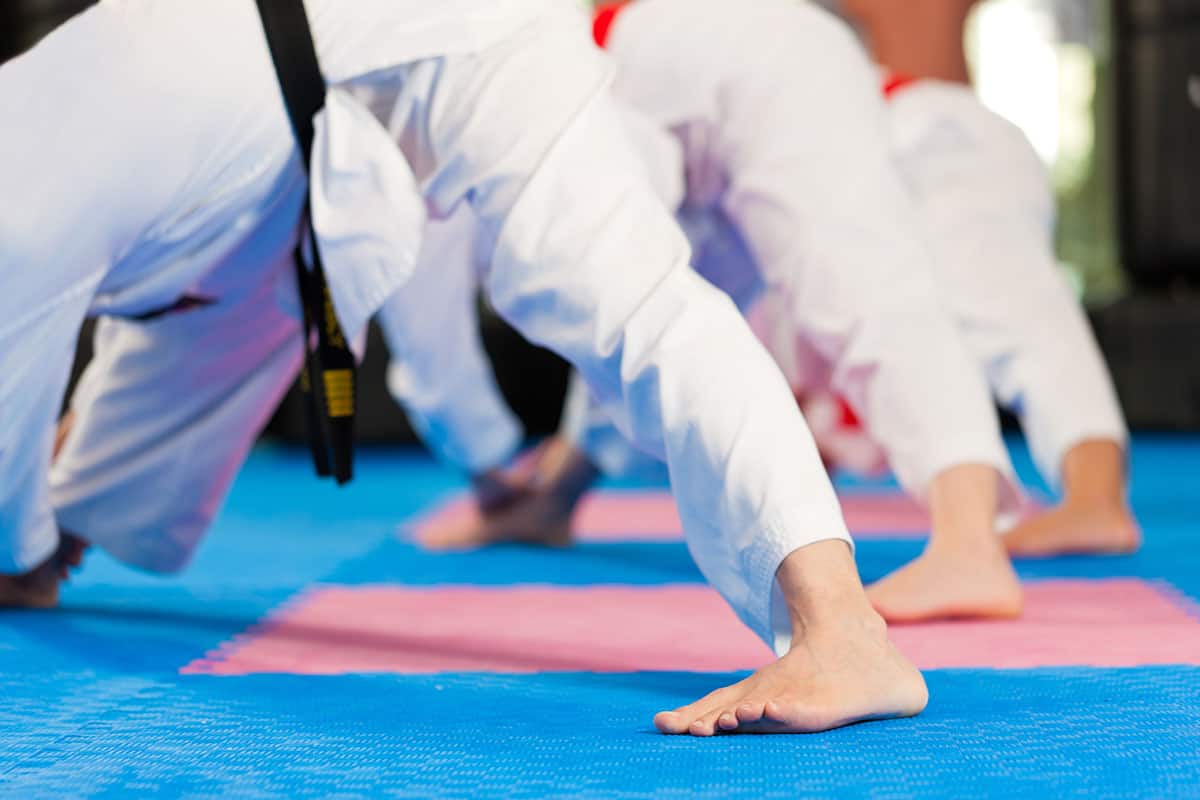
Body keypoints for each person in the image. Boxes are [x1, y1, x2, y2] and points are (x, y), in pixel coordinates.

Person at [0, 0, 927, 735]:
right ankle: (58, 535)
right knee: (179, 331)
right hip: (267, 146)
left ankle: (843, 629)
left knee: (633, 302)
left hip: (441, 41)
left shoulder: (32, 158)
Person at [381, 0, 1030, 624]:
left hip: (769, 72)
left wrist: (483, 461)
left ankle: (970, 546)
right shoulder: (483, 88)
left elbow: (597, 292)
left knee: (861, 291)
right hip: (726, 113)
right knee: (654, 313)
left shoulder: (507, 99)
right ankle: (553, 499)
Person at [840, 0, 1139, 556]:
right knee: (1006, 314)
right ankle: (1091, 498)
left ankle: (1097, 501)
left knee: (1018, 315)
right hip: (948, 134)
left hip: (926, 138)